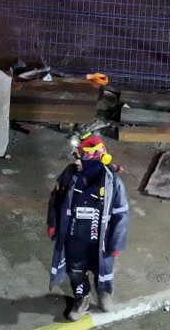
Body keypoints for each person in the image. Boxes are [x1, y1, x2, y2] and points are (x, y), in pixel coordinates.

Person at [47, 132, 129, 320]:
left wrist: (116, 243)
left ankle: (104, 295)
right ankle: (81, 298)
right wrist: (52, 222)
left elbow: (121, 214)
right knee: (75, 270)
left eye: (80, 158)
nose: (76, 162)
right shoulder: (69, 175)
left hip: (101, 240)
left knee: (104, 271)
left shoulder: (113, 183)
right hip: (74, 236)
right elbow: (55, 199)